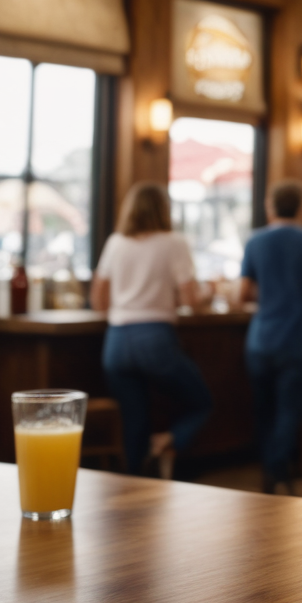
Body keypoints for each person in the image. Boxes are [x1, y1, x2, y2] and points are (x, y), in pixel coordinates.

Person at [91, 182, 213, 479]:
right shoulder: (174, 242)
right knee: (202, 403)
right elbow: (190, 301)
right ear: (164, 209)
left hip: (116, 343)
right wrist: (205, 294)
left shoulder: (116, 242)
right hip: (155, 340)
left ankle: (134, 484)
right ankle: (167, 440)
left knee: (134, 419)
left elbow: (98, 301)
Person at [238, 179, 302, 493]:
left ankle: (271, 469)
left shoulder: (255, 242)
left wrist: (268, 299)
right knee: (290, 409)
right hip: (296, 337)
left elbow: (241, 294)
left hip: (261, 337)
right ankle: (279, 473)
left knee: (264, 409)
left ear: (270, 206)